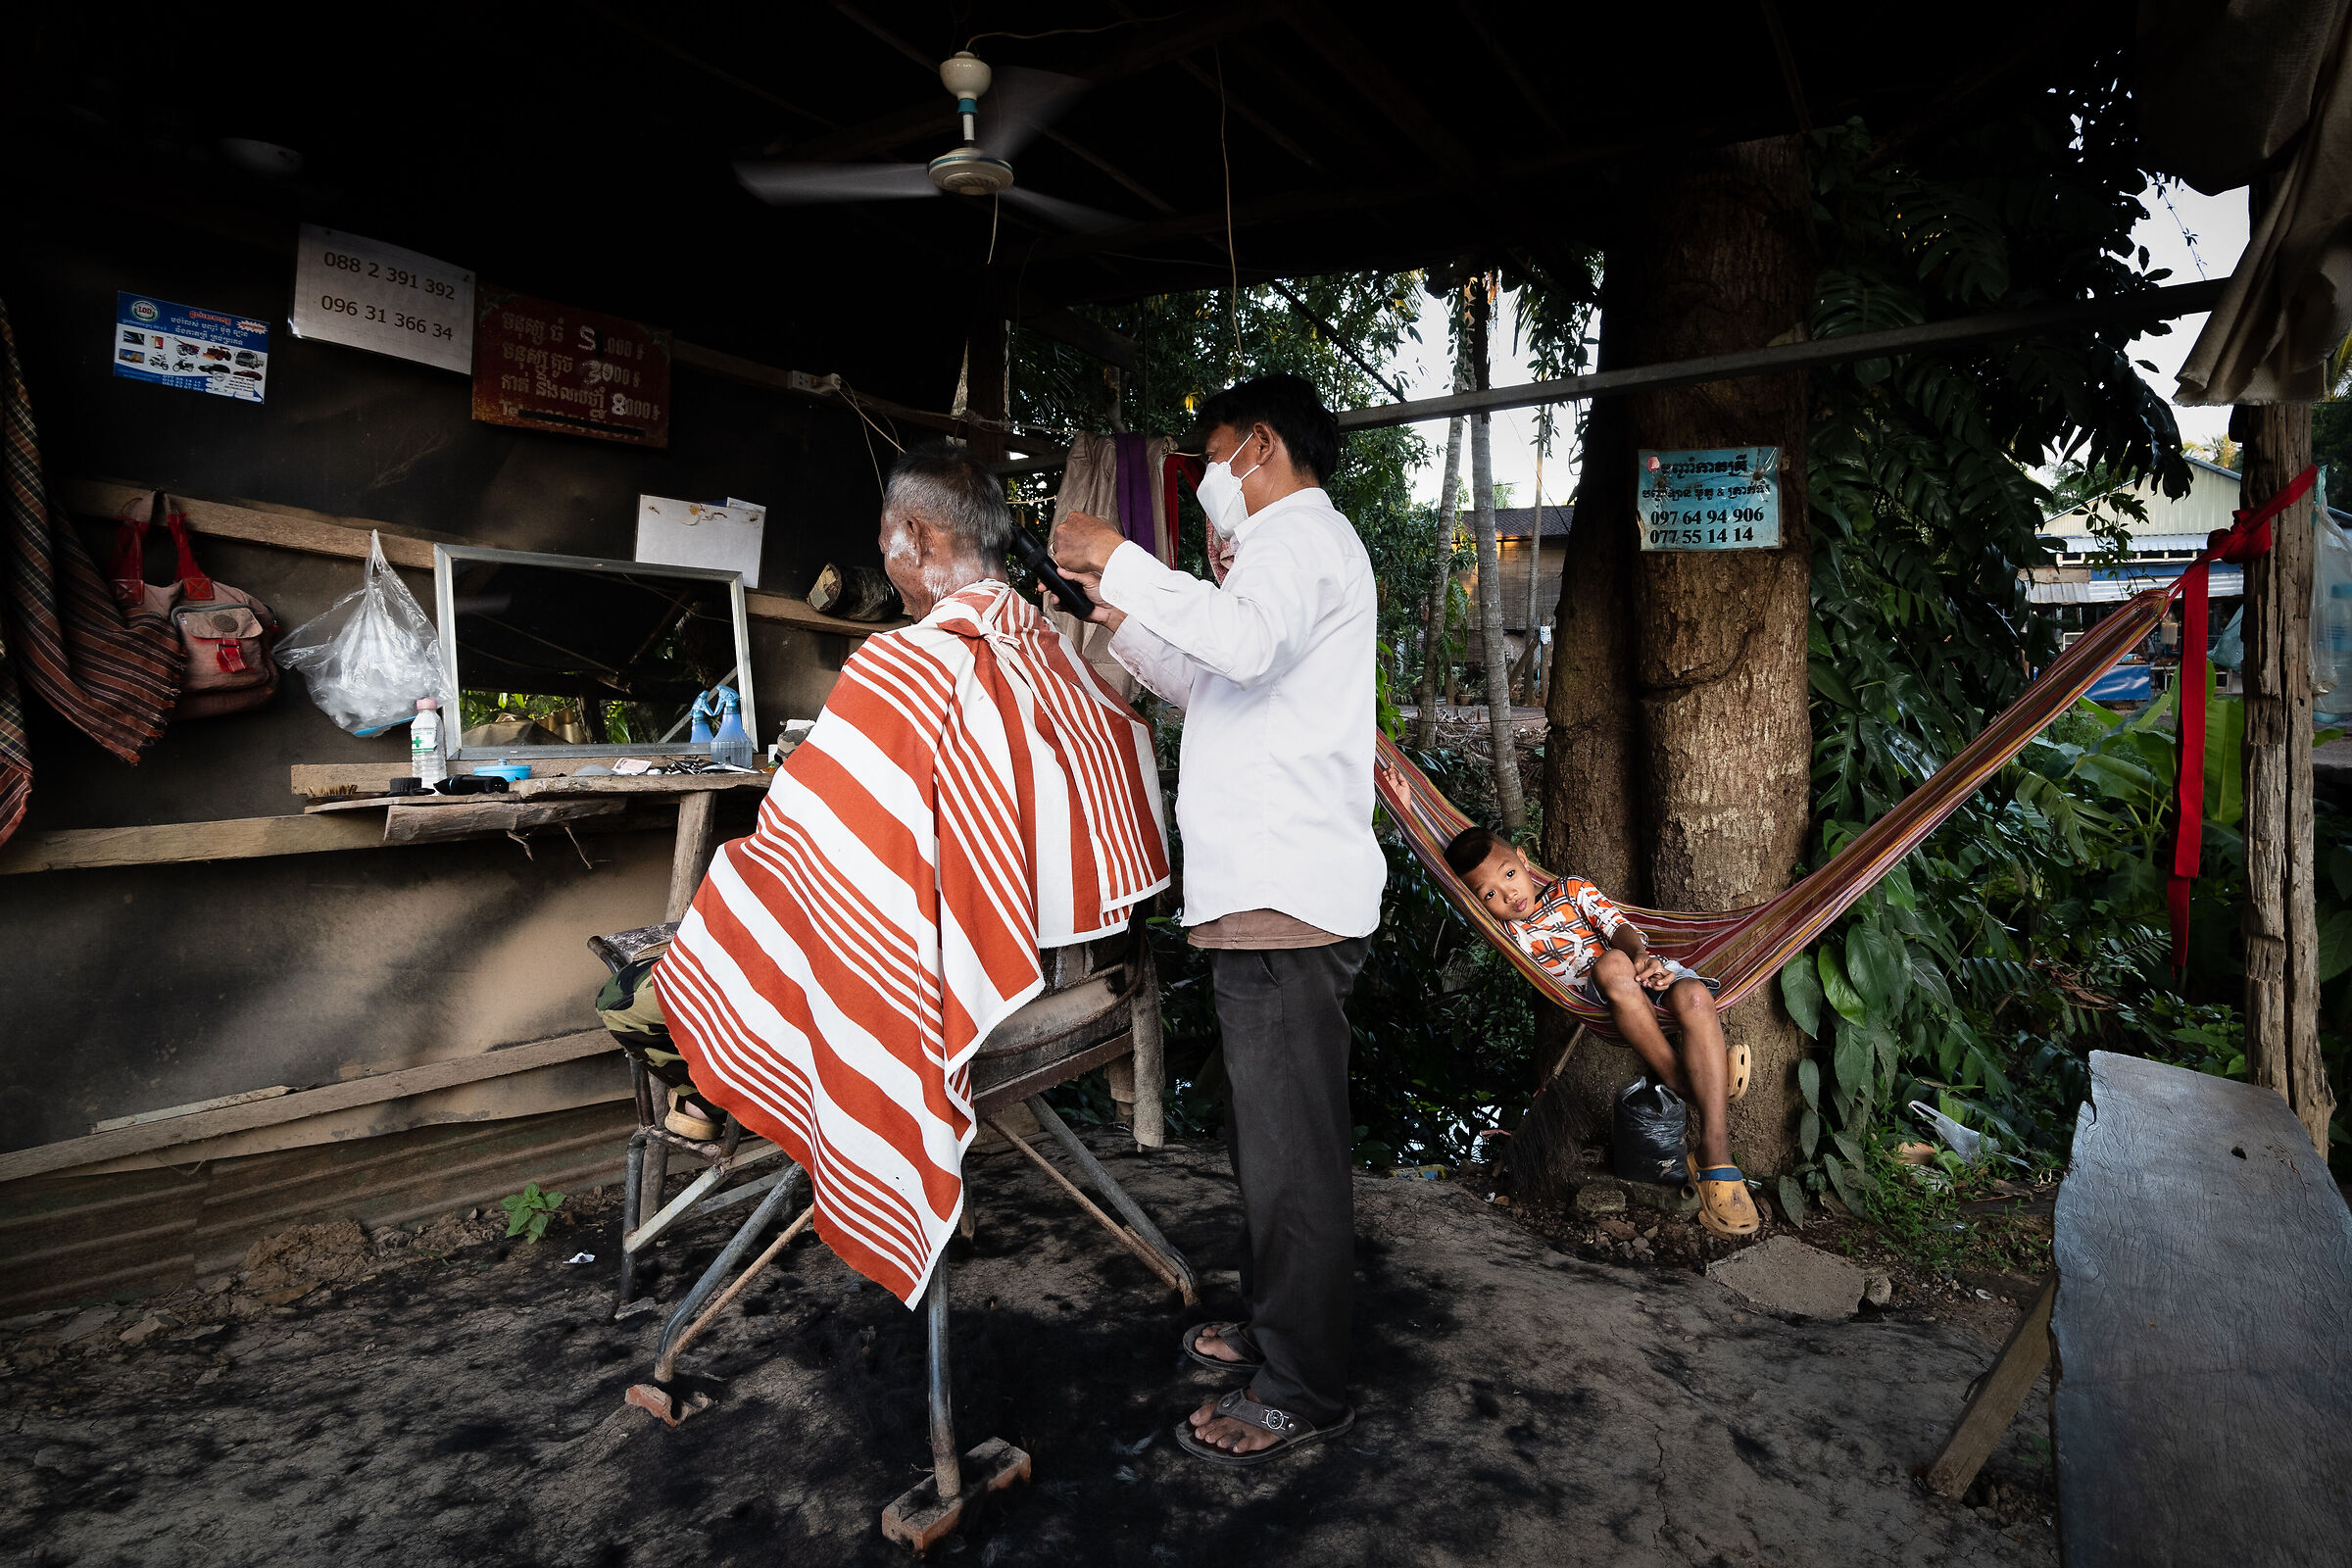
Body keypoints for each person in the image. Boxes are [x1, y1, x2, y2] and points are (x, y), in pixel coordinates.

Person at [1051, 373, 1380, 1466]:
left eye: (1214, 458)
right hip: (1260, 898)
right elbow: (1220, 682)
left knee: (1292, 1153)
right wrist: (1128, 621)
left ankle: (1304, 1383)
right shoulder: (1286, 560)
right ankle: (1281, 1329)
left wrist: (1124, 560)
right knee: (1266, 1138)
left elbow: (1239, 645)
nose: (1207, 485)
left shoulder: (1298, 540)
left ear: (1262, 448)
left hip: (1287, 900)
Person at [1442, 822, 1761, 1238]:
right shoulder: (1508, 931)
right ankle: (1713, 1143)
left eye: (1508, 875)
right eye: (1489, 895)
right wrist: (1411, 812)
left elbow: (1618, 927)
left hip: (1642, 969)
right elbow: (1454, 891)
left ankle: (1696, 1089)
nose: (1509, 894)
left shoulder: (1571, 890)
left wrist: (1644, 959)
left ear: (1523, 860)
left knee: (1696, 995)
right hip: (1601, 995)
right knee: (1611, 965)